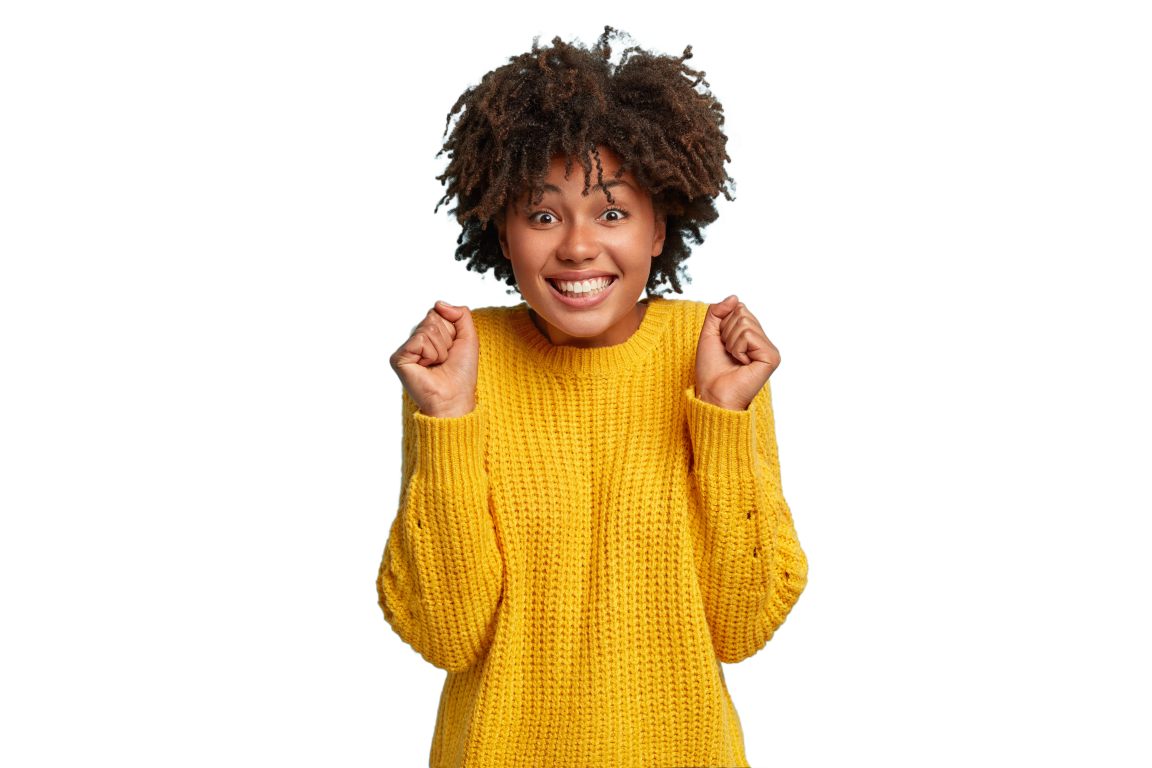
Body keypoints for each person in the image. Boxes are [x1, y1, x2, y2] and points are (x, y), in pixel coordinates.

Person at [381, 26, 808, 768]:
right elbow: (445, 633)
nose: (577, 246)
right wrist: (446, 422)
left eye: (612, 212)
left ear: (657, 230)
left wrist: (722, 417)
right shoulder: (460, 361)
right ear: (503, 233)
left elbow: (740, 628)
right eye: (543, 215)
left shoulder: (713, 353)